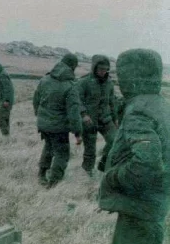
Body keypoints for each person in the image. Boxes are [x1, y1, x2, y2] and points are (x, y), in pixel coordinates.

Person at [98, 49, 170, 244]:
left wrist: (115, 177)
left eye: (122, 74)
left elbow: (148, 162)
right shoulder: (160, 104)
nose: (117, 80)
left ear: (134, 76)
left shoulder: (139, 108)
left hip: (141, 205)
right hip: (154, 203)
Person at [32, 53, 83, 187]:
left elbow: (36, 100)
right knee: (62, 154)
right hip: (58, 127)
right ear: (73, 67)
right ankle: (54, 182)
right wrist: (77, 132)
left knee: (48, 147)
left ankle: (42, 174)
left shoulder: (45, 79)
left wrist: (40, 116)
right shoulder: (71, 85)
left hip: (43, 124)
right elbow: (74, 112)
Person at [77, 55, 118, 176]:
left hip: (106, 119)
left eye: (105, 69)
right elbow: (78, 100)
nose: (103, 71)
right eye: (100, 69)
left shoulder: (109, 83)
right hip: (90, 120)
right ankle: (88, 170)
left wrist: (115, 118)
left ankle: (103, 165)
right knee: (90, 149)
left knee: (115, 141)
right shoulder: (84, 82)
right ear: (94, 68)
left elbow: (112, 101)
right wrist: (83, 114)